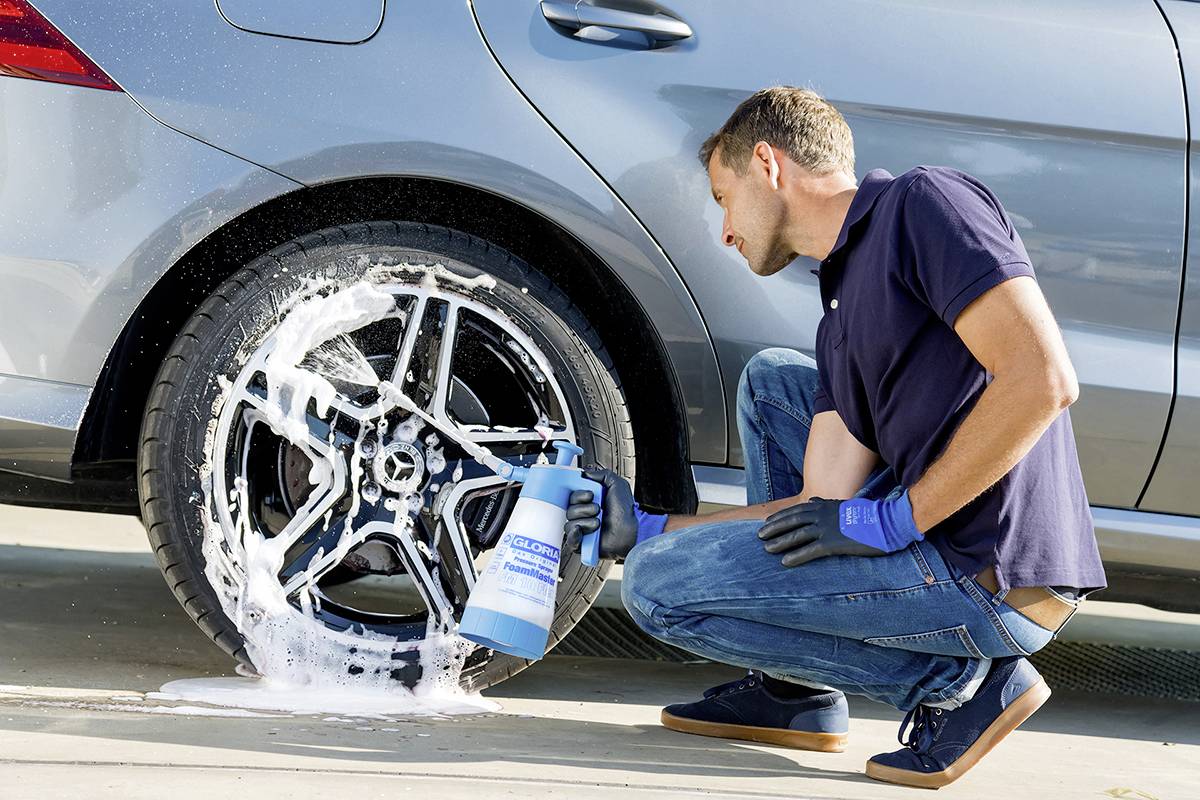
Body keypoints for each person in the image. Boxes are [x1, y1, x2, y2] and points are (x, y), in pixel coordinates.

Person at [562, 86, 1106, 789]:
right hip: (932, 545)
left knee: (658, 590)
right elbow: (818, 506)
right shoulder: (842, 311)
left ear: (768, 163)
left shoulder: (924, 205)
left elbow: (1043, 380)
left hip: (992, 578)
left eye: (723, 199)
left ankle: (958, 683)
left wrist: (895, 517)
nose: (725, 231)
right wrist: (653, 526)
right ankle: (795, 694)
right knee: (772, 384)